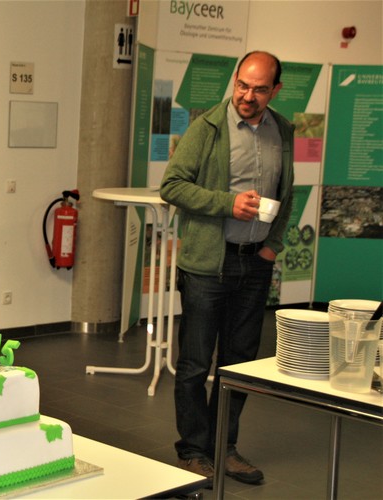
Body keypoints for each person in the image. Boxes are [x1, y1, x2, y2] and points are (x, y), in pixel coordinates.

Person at [160, 51, 294, 486]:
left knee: (240, 364)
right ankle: (195, 450)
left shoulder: (283, 130)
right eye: (242, 85)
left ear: (275, 91)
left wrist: (273, 245)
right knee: (197, 364)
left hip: (254, 265)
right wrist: (227, 203)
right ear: (235, 80)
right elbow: (172, 186)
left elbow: (286, 193)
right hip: (206, 266)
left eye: (258, 89)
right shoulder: (208, 128)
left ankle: (225, 446)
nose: (247, 96)